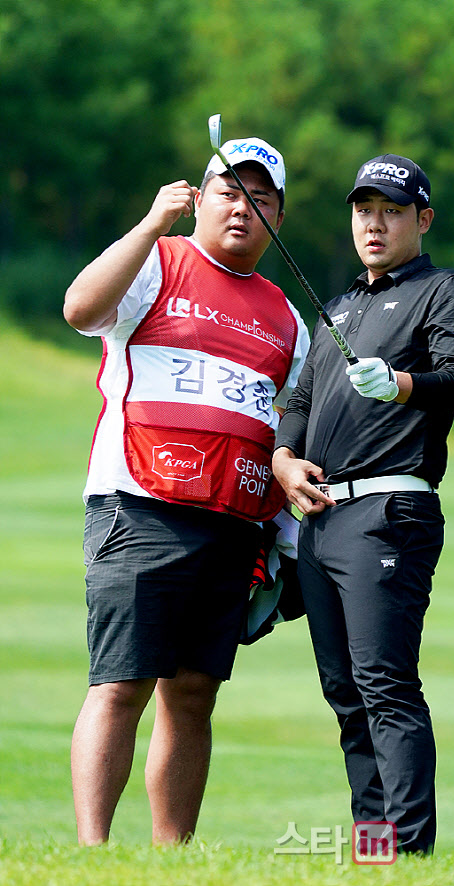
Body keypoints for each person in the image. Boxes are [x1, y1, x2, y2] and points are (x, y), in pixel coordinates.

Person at [63, 136, 309, 845]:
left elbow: (289, 422)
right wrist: (149, 225)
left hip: (233, 522)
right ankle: (94, 853)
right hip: (138, 501)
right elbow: (81, 309)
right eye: (229, 191)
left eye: (260, 197)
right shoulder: (159, 262)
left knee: (194, 694)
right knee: (121, 683)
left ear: (278, 217)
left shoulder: (286, 317)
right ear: (199, 199)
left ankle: (173, 856)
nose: (243, 207)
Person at [272, 154, 454, 855]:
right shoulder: (338, 307)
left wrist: (398, 383)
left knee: (384, 686)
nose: (374, 222)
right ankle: (376, 854)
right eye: (364, 209)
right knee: (346, 695)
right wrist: (282, 457)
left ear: (421, 219)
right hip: (323, 519)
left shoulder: (445, 292)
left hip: (390, 512)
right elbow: (302, 400)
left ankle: (411, 854)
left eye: (391, 211)